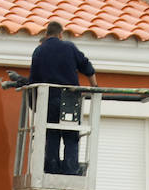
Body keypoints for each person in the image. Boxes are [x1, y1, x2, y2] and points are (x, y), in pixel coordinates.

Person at [26, 20, 99, 175]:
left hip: (48, 100)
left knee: (51, 134)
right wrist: (94, 87)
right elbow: (87, 67)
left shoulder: (38, 51)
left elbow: (33, 80)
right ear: (61, 34)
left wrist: (35, 105)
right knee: (71, 134)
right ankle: (71, 168)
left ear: (46, 34)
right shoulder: (69, 47)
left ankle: (51, 168)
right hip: (70, 100)